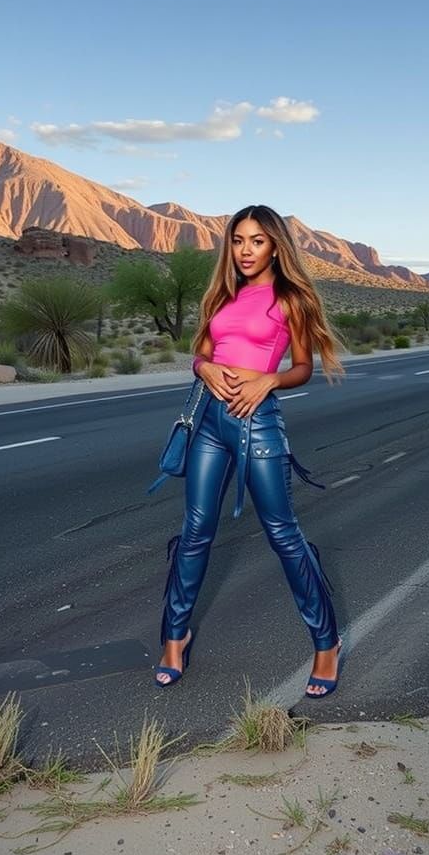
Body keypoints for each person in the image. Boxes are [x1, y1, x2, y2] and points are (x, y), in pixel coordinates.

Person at [155, 204, 345, 697]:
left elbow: (303, 366)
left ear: (275, 245)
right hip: (210, 423)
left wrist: (270, 380)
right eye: (238, 240)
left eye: (256, 241)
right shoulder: (221, 295)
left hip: (257, 423)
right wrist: (204, 368)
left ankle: (327, 643)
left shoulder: (290, 300)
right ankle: (174, 637)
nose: (245, 250)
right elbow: (204, 353)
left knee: (283, 533)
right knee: (195, 530)